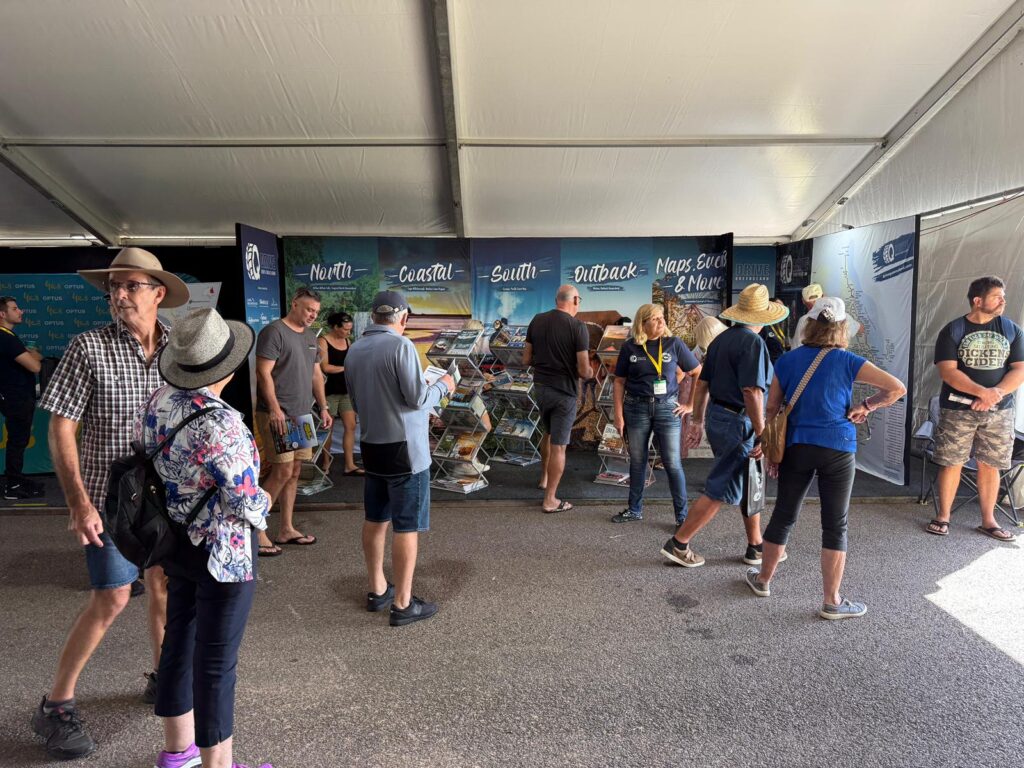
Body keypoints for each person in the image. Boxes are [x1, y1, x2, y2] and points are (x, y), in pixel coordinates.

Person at [31, 247, 189, 760]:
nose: (118, 296)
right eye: (113, 288)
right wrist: (78, 503)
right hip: (107, 499)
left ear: (158, 293)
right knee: (113, 597)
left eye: (131, 286)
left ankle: (163, 677)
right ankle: (56, 705)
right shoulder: (87, 347)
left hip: (165, 499)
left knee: (164, 590)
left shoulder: (178, 348)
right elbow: (60, 426)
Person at [141, 308, 273, 768]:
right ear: (229, 369)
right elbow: (244, 501)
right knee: (216, 661)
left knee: (179, 640)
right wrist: (267, 502)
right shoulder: (222, 423)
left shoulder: (159, 401)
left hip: (176, 541)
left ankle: (178, 753)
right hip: (224, 553)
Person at [744, 297, 906, 619]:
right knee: (835, 524)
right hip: (839, 447)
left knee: (785, 514)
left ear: (811, 324)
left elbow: (772, 408)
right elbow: (896, 388)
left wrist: (768, 444)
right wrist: (867, 406)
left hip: (797, 446)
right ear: (842, 327)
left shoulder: (788, 361)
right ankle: (832, 601)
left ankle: (763, 580)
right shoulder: (848, 360)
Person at [345, 290, 455, 626]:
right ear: (403, 317)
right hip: (406, 451)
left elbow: (356, 400)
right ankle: (404, 604)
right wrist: (444, 385)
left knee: (375, 518)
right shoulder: (401, 346)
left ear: (374, 316)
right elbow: (418, 396)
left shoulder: (354, 349)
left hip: (372, 445)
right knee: (407, 526)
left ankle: (378, 589)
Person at [660, 284, 788, 569]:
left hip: (720, 417)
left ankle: (756, 546)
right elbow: (752, 392)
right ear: (763, 314)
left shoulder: (721, 340)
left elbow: (702, 383)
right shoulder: (753, 343)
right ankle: (679, 543)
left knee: (746, 480)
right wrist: (762, 433)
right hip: (739, 422)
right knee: (721, 486)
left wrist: (697, 421)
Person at [927, 275, 1024, 541]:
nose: (1003, 300)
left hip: (999, 411)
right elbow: (947, 372)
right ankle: (943, 516)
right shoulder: (954, 329)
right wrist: (983, 392)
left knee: (990, 465)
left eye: (1003, 295)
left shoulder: (1011, 330)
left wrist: (995, 395)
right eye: (997, 296)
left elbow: (1020, 369)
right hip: (958, 409)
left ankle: (988, 520)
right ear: (978, 300)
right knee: (951, 462)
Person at [253, 287, 333, 556]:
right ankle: (256, 530)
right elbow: (263, 373)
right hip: (279, 414)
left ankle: (285, 528)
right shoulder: (273, 332)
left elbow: (315, 376)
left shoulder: (310, 337)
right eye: (309, 309)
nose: (312, 315)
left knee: (296, 472)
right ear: (295, 304)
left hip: (303, 415)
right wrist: (275, 409)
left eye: (316, 312)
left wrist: (322, 407)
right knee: (281, 472)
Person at [610, 303, 700, 524]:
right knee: (638, 461)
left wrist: (690, 405)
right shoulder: (630, 347)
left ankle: (682, 517)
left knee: (672, 462)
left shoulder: (673, 344)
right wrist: (618, 414)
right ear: (643, 323)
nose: (662, 322)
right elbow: (619, 381)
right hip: (636, 407)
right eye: (656, 319)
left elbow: (697, 371)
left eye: (662, 318)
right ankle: (634, 509)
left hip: (667, 408)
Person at [523, 285, 592, 513]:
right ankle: (550, 499)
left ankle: (544, 478)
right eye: (578, 299)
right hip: (564, 393)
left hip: (541, 388)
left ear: (556, 300)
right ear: (573, 300)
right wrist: (592, 372)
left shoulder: (537, 320)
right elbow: (583, 371)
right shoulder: (578, 326)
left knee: (548, 432)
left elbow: (526, 359)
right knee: (559, 446)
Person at [0, 295, 44, 498]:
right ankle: (12, 486)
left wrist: (32, 354)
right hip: (16, 399)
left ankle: (15, 479)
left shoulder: (8, 336)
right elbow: (35, 364)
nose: (21, 311)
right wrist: (33, 355)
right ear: (2, 314)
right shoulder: (5, 338)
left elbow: (33, 356)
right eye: (15, 308)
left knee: (18, 441)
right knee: (17, 442)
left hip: (16, 397)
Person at [317, 311, 363, 476]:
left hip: (346, 390)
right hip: (329, 392)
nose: (348, 333)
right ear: (335, 327)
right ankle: (325, 463)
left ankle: (349, 465)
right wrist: (347, 368)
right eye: (345, 329)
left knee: (350, 426)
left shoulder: (347, 341)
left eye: (350, 329)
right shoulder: (322, 341)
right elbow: (325, 367)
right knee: (327, 429)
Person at [792, 283, 862, 349]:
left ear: (803, 301)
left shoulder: (803, 320)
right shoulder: (841, 316)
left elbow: (796, 347)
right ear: (823, 296)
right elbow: (860, 329)